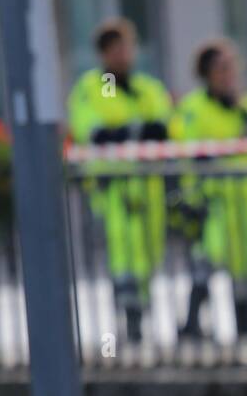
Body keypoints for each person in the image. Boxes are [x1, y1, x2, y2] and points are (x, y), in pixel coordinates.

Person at [68, 18, 172, 343]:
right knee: (124, 256)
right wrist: (138, 130)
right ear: (103, 54)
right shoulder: (90, 87)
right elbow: (95, 133)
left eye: (127, 47)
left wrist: (126, 131)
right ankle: (132, 324)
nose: (124, 55)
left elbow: (166, 128)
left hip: (148, 185)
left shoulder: (148, 87)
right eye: (116, 49)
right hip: (113, 187)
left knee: (149, 254)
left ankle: (142, 315)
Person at [170, 39, 247, 342]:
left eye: (232, 67)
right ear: (207, 73)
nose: (229, 75)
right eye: (222, 69)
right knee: (205, 263)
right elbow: (190, 148)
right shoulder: (193, 107)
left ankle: (245, 332)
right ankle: (193, 328)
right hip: (211, 200)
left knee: (246, 268)